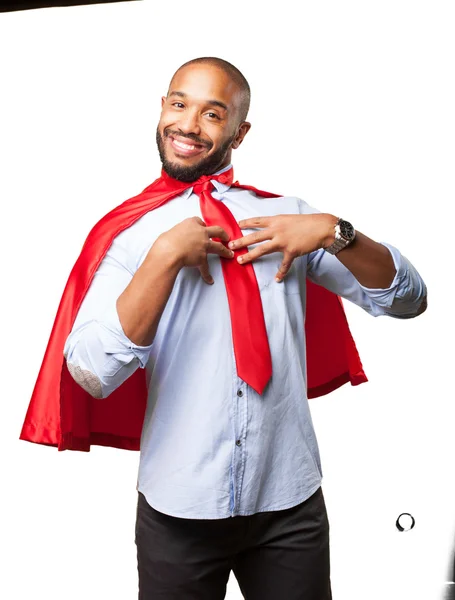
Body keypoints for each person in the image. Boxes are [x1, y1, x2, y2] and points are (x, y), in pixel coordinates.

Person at [29, 57, 428, 599]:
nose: (189, 124)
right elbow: (93, 373)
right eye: (179, 104)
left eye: (212, 114)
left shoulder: (288, 218)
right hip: (179, 511)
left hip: (290, 504)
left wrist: (337, 232)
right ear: (162, 110)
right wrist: (163, 256)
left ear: (239, 132)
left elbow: (408, 301)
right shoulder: (132, 235)